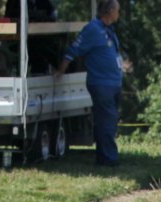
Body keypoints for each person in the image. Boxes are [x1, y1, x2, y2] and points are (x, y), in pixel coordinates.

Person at [54, 0, 128, 166]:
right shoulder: (93, 29)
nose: (119, 13)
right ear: (110, 11)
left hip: (114, 83)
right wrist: (61, 70)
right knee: (106, 121)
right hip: (102, 83)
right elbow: (73, 50)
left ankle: (105, 155)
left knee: (110, 121)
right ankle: (109, 159)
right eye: (117, 10)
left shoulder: (109, 30)